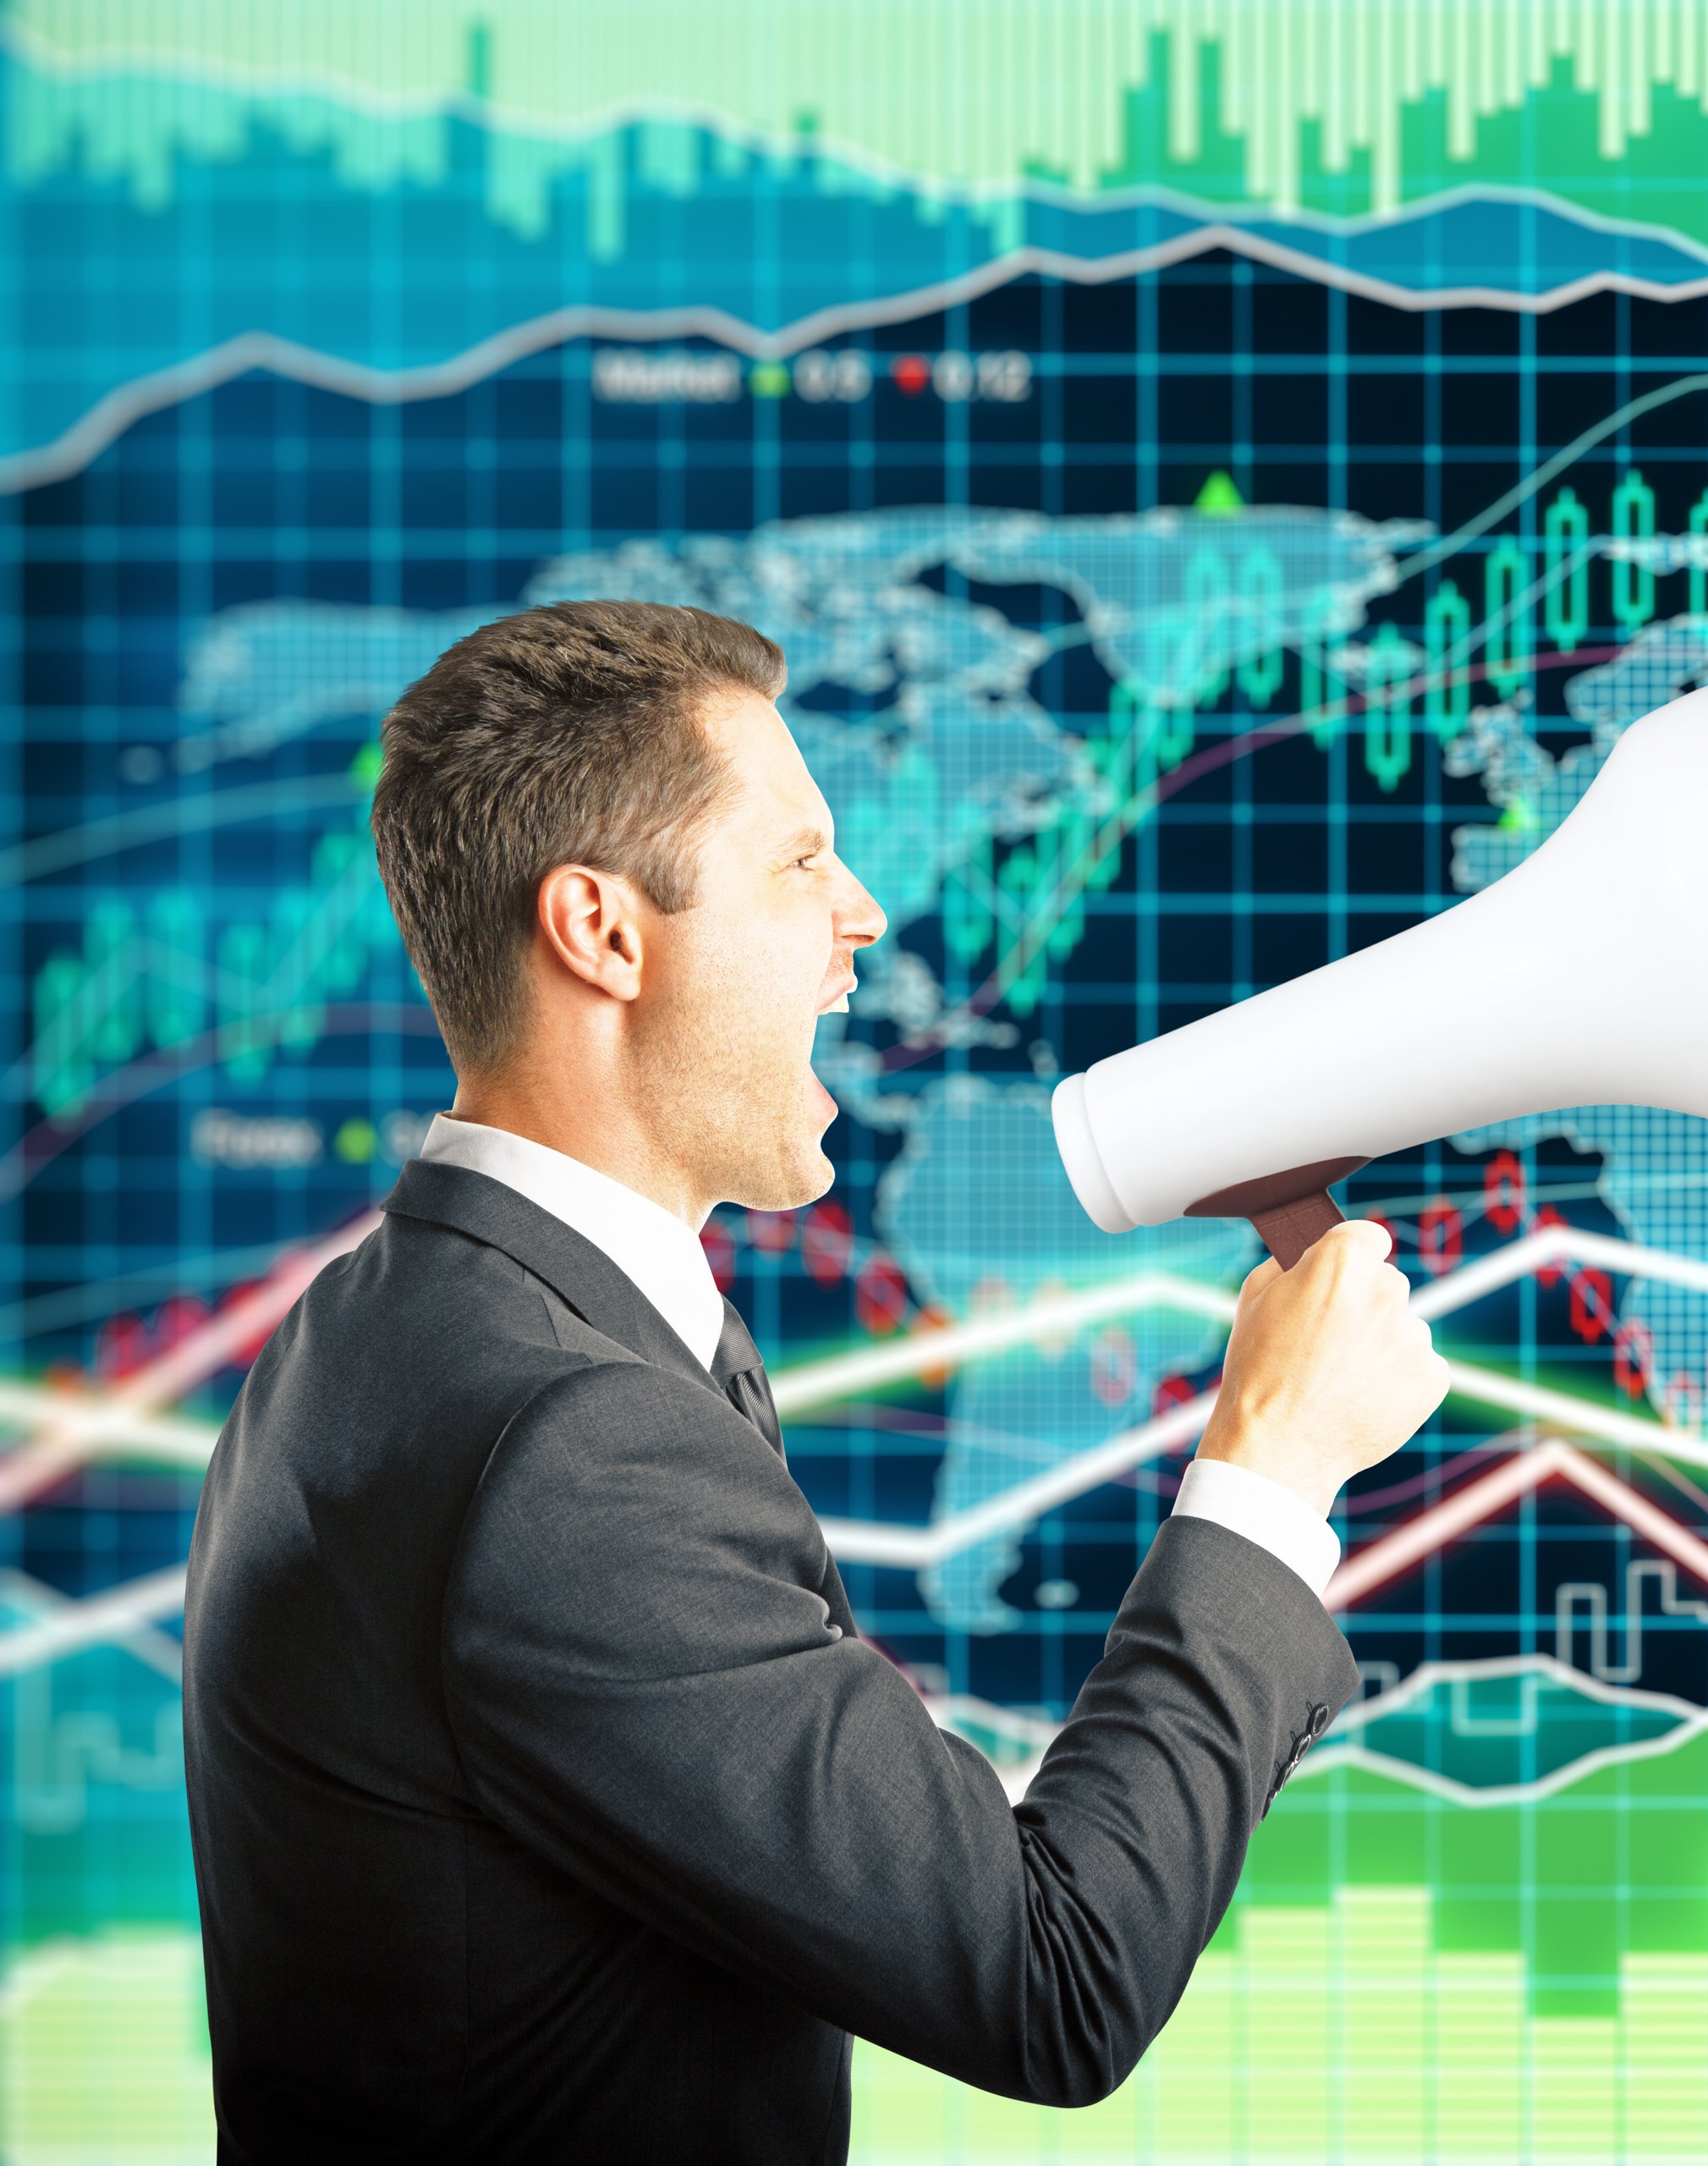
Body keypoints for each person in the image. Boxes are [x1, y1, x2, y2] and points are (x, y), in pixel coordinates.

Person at [181, 600, 1451, 2161]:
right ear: (603, 930)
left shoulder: (394, 1327)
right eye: (797, 862)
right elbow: (1055, 1978)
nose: (861, 913)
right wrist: (1272, 1477)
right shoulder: (570, 1444)